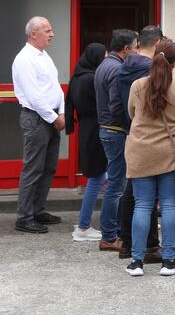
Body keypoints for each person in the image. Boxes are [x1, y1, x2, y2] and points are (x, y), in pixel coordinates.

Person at [124, 40, 175, 277]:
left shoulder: (138, 86)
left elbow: (132, 113)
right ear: (174, 63)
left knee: (142, 205)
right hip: (171, 153)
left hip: (141, 152)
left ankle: (136, 262)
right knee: (170, 205)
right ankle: (169, 260)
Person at [12, 16, 66, 234]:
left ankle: (37, 209)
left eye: (51, 30)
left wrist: (60, 111)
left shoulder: (44, 56)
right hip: (37, 118)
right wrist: (55, 118)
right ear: (33, 33)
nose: (52, 34)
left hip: (51, 116)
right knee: (33, 169)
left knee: (49, 167)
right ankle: (24, 217)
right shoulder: (24, 59)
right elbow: (34, 96)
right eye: (47, 30)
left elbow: (55, 87)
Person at [117, 25, 164, 261]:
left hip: (131, 131)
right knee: (147, 196)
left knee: (131, 190)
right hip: (150, 135)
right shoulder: (149, 70)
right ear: (157, 44)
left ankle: (126, 242)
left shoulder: (124, 67)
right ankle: (151, 246)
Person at [94, 28, 137, 250]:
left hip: (107, 129)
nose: (137, 51)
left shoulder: (104, 65)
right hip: (115, 130)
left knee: (115, 182)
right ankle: (110, 236)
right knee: (116, 185)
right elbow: (116, 104)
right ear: (127, 48)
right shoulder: (117, 69)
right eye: (135, 47)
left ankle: (111, 233)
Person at [65, 42, 107, 241]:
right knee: (97, 177)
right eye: (104, 55)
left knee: (98, 176)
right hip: (96, 129)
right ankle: (83, 227)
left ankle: (84, 223)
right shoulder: (92, 79)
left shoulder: (77, 77)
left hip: (86, 128)